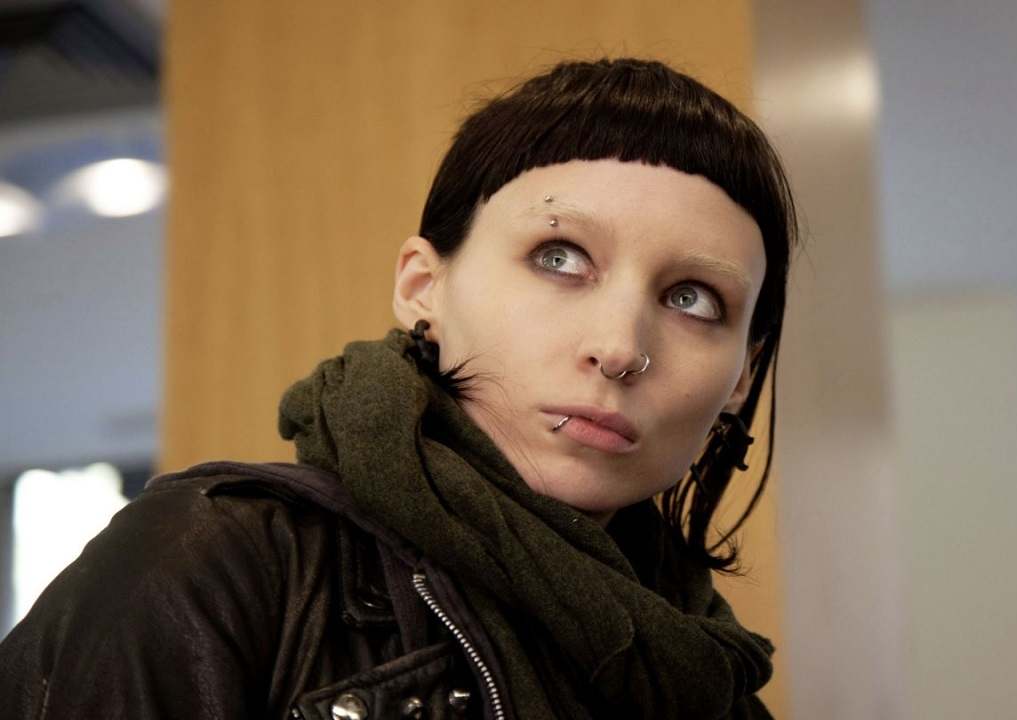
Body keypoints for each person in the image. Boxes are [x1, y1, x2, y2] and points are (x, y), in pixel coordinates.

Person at [0, 57, 797, 719]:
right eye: (559, 258)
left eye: (694, 299)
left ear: (741, 377)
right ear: (423, 287)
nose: (619, 349)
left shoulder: (710, 678)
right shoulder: (208, 565)